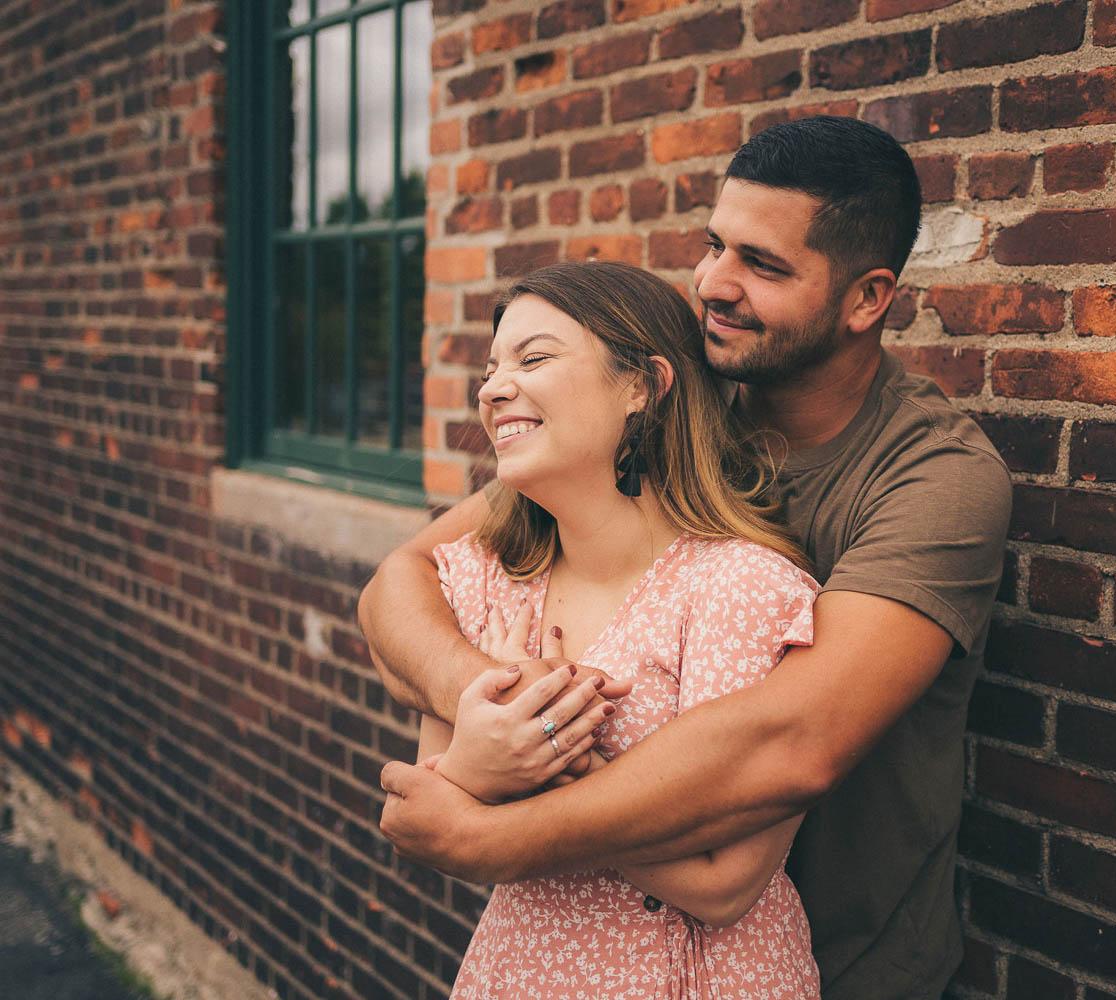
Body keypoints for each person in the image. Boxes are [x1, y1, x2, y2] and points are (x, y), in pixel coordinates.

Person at [364, 116, 1013, 999]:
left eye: (765, 265)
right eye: (716, 246)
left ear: (866, 300)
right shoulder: (674, 424)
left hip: (847, 960)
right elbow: (402, 582)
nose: (713, 283)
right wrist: (489, 707)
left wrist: (487, 832)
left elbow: (790, 744)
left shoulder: (934, 476)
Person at [422, 260, 823, 998]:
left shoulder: (740, 588)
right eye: (491, 368)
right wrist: (486, 768)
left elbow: (719, 883)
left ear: (642, 387)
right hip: (518, 973)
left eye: (533, 358)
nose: (493, 387)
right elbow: (434, 806)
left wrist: (539, 748)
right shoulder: (487, 576)